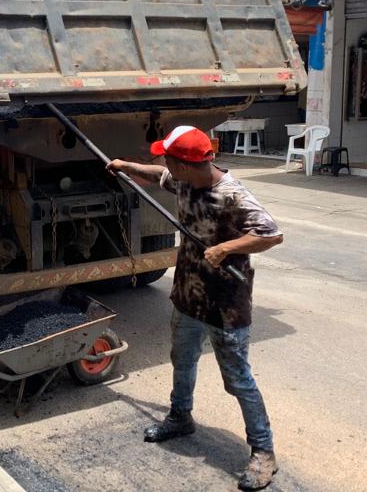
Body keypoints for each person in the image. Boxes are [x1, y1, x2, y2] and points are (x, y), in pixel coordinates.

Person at [106, 126, 284, 491]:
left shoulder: (232, 195)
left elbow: (271, 233)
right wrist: (126, 166)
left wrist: (227, 248)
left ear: (186, 163)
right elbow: (158, 175)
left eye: (168, 157)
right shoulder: (184, 179)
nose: (163, 162)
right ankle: (180, 416)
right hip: (188, 294)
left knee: (237, 379)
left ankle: (264, 451)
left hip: (226, 304)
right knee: (182, 359)